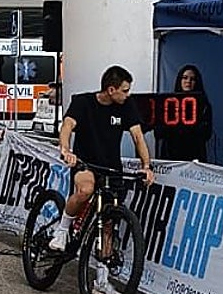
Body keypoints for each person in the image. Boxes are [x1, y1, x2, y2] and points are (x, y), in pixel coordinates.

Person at [51, 66, 155, 251]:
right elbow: (67, 126)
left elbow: (138, 136)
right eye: (125, 90)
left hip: (111, 168)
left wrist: (146, 166)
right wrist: (65, 150)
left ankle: (103, 265)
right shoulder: (83, 102)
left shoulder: (126, 106)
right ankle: (63, 229)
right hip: (85, 163)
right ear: (111, 90)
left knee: (109, 220)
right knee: (85, 190)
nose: (128, 95)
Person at [157, 65, 214, 162]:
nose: (188, 81)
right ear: (180, 80)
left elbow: (206, 134)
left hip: (194, 157)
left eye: (192, 79)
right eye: (185, 77)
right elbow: (159, 133)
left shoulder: (204, 105)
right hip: (170, 157)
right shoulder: (169, 103)